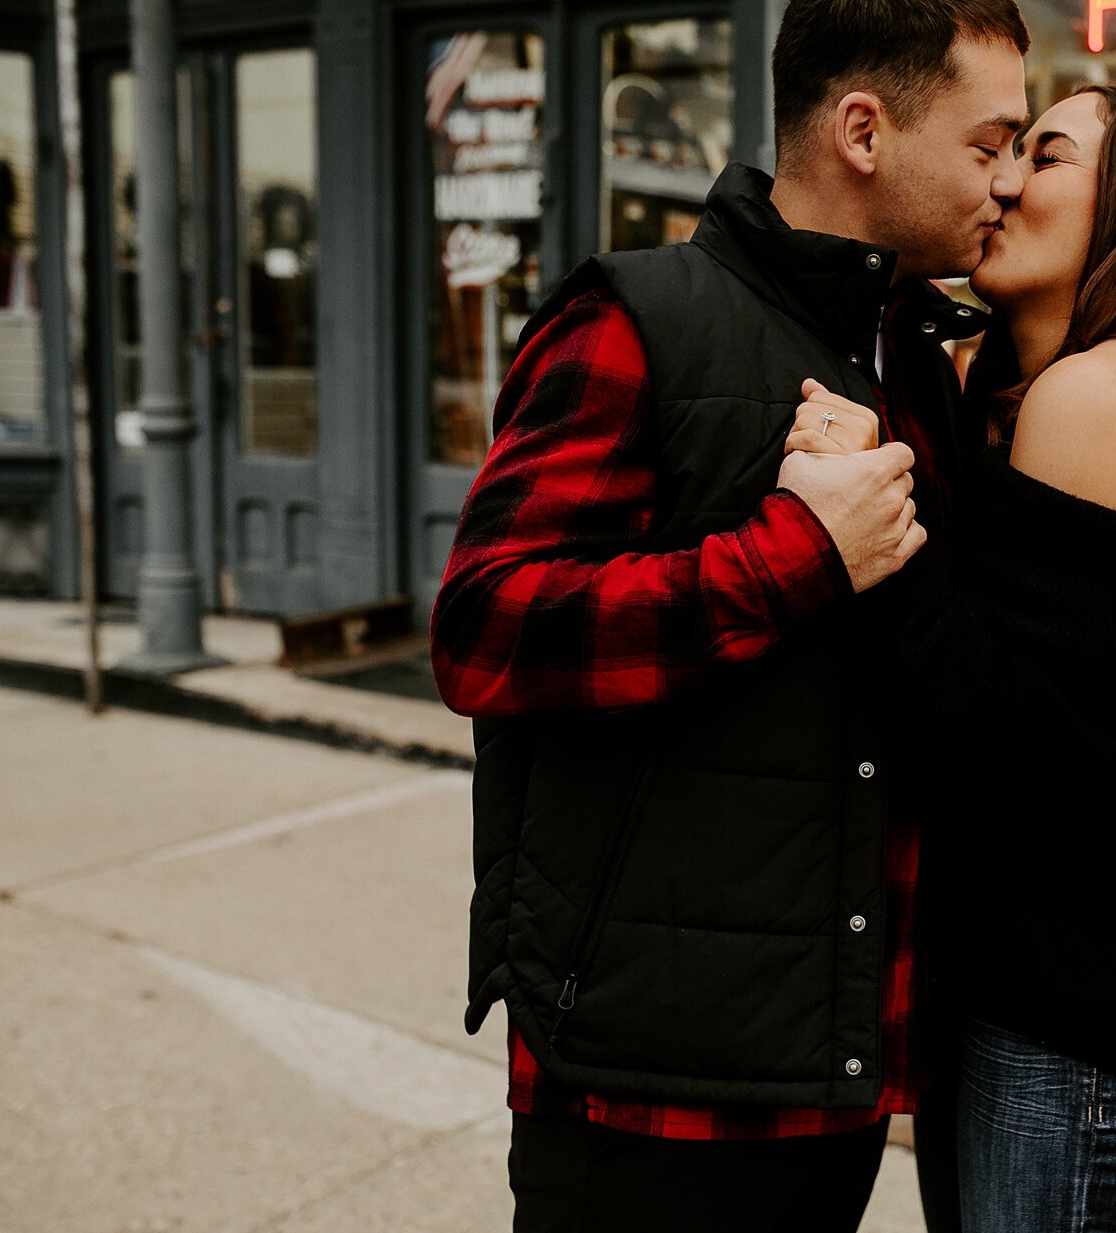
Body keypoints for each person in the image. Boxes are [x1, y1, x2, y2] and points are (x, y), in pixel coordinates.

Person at [427, 2, 1030, 1229]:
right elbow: (484, 630)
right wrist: (793, 552)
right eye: (987, 144)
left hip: (834, 1071)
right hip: (643, 1087)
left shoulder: (915, 359)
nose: (1008, 183)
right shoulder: (634, 319)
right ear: (863, 129)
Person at [782, 84, 1116, 1233]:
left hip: (1078, 1028)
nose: (1003, 178)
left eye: (1045, 154)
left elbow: (1003, 742)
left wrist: (868, 515)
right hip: (1052, 1000)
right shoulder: (1023, 393)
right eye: (1005, 147)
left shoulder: (1100, 395)